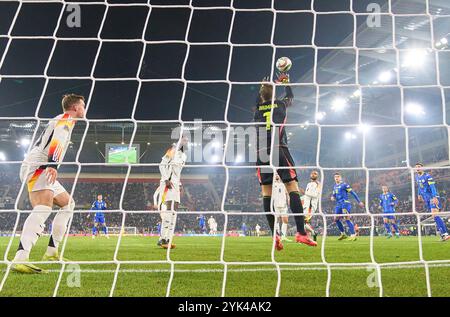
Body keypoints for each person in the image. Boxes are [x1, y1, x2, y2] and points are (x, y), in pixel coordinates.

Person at [12, 94, 86, 273]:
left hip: (42, 165)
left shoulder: (64, 120)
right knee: (44, 207)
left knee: (68, 204)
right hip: (39, 166)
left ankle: (51, 252)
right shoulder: (66, 119)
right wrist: (53, 165)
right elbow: (58, 139)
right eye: (83, 105)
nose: (85, 108)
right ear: (75, 107)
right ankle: (20, 259)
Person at [254, 73, 316, 251]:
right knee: (292, 188)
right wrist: (285, 82)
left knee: (266, 193)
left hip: (261, 153)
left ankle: (275, 236)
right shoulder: (280, 105)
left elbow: (263, 97)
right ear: (274, 95)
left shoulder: (257, 109)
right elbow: (290, 98)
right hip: (279, 148)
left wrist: (267, 86)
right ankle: (301, 233)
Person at [154, 137, 188, 249]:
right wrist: (166, 179)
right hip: (167, 183)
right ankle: (163, 238)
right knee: (169, 209)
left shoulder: (184, 156)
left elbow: (178, 172)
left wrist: (180, 183)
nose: (185, 142)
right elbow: (161, 165)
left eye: (187, 141)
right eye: (184, 140)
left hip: (176, 184)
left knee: (174, 211)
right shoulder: (171, 151)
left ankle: (167, 238)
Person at [331, 172, 364, 241]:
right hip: (338, 204)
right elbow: (334, 195)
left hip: (345, 203)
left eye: (338, 176)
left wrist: (359, 201)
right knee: (336, 219)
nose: (336, 178)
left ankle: (353, 235)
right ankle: (343, 234)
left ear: (340, 177)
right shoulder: (334, 186)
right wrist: (332, 197)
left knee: (347, 218)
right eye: (335, 177)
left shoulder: (344, 185)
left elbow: (353, 193)